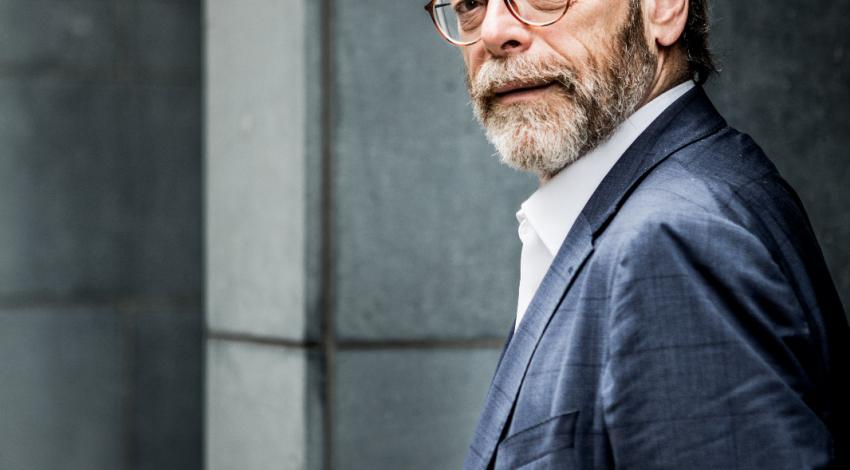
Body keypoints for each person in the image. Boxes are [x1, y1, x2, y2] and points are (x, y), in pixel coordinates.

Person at [423, 0, 849, 468]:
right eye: (470, 4)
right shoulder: (675, 205)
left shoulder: (674, 240)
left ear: (662, 9)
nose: (493, 32)